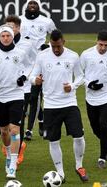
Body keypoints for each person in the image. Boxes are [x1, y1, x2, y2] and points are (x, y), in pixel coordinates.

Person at [29, 29, 88, 183]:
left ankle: (79, 165)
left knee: (79, 136)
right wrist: (36, 80)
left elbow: (81, 76)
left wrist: (73, 86)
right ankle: (60, 172)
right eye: (53, 46)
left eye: (58, 46)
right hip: (50, 106)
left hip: (69, 104)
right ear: (50, 43)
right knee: (53, 140)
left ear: (64, 42)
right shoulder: (42, 56)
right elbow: (31, 75)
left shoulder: (73, 56)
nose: (56, 49)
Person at [0, 24, 27, 179]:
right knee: (4, 131)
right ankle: (9, 154)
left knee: (14, 130)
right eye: (2, 36)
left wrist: (24, 77)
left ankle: (13, 164)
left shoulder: (21, 53)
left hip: (16, 95)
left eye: (8, 35)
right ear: (0, 37)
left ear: (12, 36)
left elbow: (30, 67)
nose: (5, 38)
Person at [80, 30, 107, 169]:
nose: (103, 48)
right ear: (96, 42)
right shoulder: (86, 54)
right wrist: (89, 84)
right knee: (94, 127)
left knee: (104, 124)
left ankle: (102, 158)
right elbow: (79, 74)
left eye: (106, 45)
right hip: (90, 97)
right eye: (101, 45)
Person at [20, 0, 56, 140]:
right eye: (30, 3)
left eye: (35, 3)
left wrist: (48, 46)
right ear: (27, 5)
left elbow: (56, 36)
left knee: (35, 96)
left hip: (40, 63)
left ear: (39, 5)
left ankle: (29, 130)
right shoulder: (20, 20)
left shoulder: (46, 21)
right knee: (26, 97)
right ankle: (41, 121)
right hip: (23, 63)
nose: (33, 5)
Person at [5, 15, 37, 165]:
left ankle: (17, 153)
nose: (9, 30)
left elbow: (34, 63)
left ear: (18, 28)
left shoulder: (27, 44)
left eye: (12, 27)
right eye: (7, 27)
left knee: (18, 122)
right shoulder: (2, 42)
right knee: (3, 123)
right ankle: (15, 144)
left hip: (23, 88)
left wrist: (25, 77)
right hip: (5, 89)